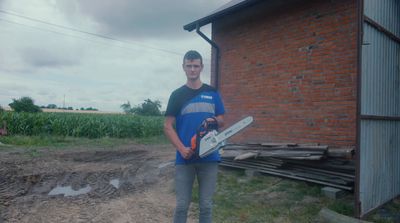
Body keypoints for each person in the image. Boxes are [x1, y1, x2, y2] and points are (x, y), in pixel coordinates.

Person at [164, 50, 225, 223]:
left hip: (210, 155)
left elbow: (222, 119)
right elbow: (167, 126)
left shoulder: (212, 92)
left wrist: (214, 120)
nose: (192, 69)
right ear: (183, 67)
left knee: (206, 205)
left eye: (196, 66)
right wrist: (182, 148)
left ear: (201, 67)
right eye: (189, 66)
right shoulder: (177, 95)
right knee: (182, 205)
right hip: (185, 157)